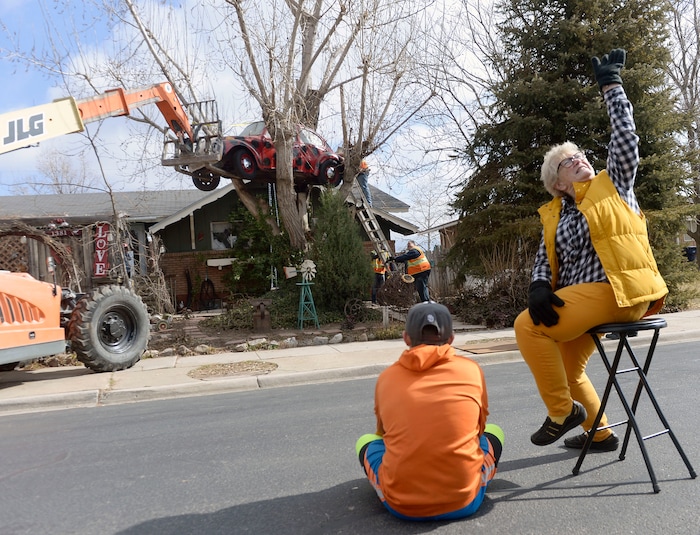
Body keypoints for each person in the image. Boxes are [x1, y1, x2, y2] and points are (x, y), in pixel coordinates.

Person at [513, 49, 668, 452]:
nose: (579, 159)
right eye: (568, 161)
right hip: (590, 300)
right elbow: (544, 259)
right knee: (567, 363)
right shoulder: (555, 215)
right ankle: (599, 433)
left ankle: (562, 412)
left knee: (525, 327)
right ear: (557, 183)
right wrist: (539, 287)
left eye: (579, 154)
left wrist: (612, 86)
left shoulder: (612, 184)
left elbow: (625, 140)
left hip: (620, 290)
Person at [355, 301, 504, 521]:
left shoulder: (386, 378)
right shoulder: (472, 370)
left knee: (367, 442)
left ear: (406, 338)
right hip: (465, 502)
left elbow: (384, 434)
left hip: (401, 505)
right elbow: (478, 429)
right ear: (451, 339)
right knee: (493, 433)